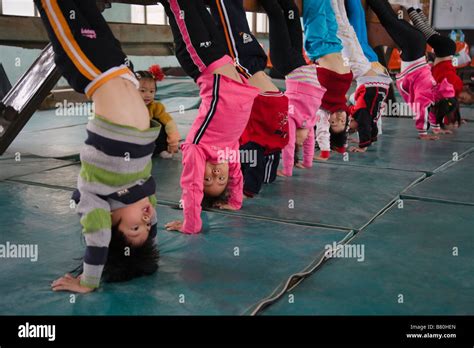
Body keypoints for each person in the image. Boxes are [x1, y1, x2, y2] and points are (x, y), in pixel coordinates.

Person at [34, 0, 160, 293]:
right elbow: (150, 220)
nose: (146, 218)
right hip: (120, 67)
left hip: (91, 69)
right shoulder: (141, 187)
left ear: (110, 219)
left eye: (135, 228)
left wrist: (88, 281)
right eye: (146, 225)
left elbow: (99, 237)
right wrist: (146, 231)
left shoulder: (94, 198)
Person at [161, 0, 259, 234]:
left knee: (177, 4)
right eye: (220, 181)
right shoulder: (229, 151)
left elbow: (191, 186)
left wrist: (191, 224)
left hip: (201, 62)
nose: (216, 175)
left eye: (208, 180)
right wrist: (235, 202)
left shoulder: (197, 149)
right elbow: (236, 176)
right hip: (223, 59)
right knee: (197, 7)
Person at [366, 0, 456, 139]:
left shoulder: (434, 96)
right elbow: (422, 110)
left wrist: (437, 129)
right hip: (412, 47)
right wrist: (423, 133)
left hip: (418, 45)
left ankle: (411, 6)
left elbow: (432, 111)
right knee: (388, 19)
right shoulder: (426, 96)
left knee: (390, 19)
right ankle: (408, 6)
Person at [135, 66, 181, 158]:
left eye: (152, 91)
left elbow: (169, 123)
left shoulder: (155, 107)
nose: (148, 95)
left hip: (151, 139)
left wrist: (173, 141)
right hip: (135, 138)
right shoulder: (127, 106)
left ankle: (161, 149)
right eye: (143, 90)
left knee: (160, 123)